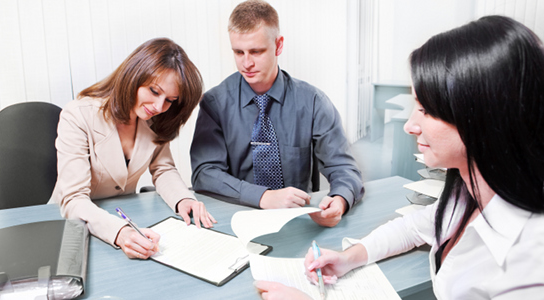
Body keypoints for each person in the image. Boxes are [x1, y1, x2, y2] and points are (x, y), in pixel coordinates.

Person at [255, 15, 544, 299]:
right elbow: (413, 227)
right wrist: (349, 257)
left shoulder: (530, 266)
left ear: (482, 116)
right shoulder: (470, 193)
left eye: (426, 110)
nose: (409, 125)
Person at [190, 0, 364, 227]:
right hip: (238, 218)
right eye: (238, 52)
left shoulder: (312, 102)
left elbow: (343, 167)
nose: (246, 63)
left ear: (278, 45)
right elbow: (205, 173)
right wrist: (263, 197)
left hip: (298, 221)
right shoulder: (215, 103)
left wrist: (340, 199)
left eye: (256, 51)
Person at [52, 38, 217, 259]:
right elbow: (73, 199)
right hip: (72, 225)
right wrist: (120, 231)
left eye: (170, 100)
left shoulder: (155, 120)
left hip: (122, 218)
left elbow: (163, 169)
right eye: (154, 91)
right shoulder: (79, 115)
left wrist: (183, 199)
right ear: (134, 76)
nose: (159, 107)